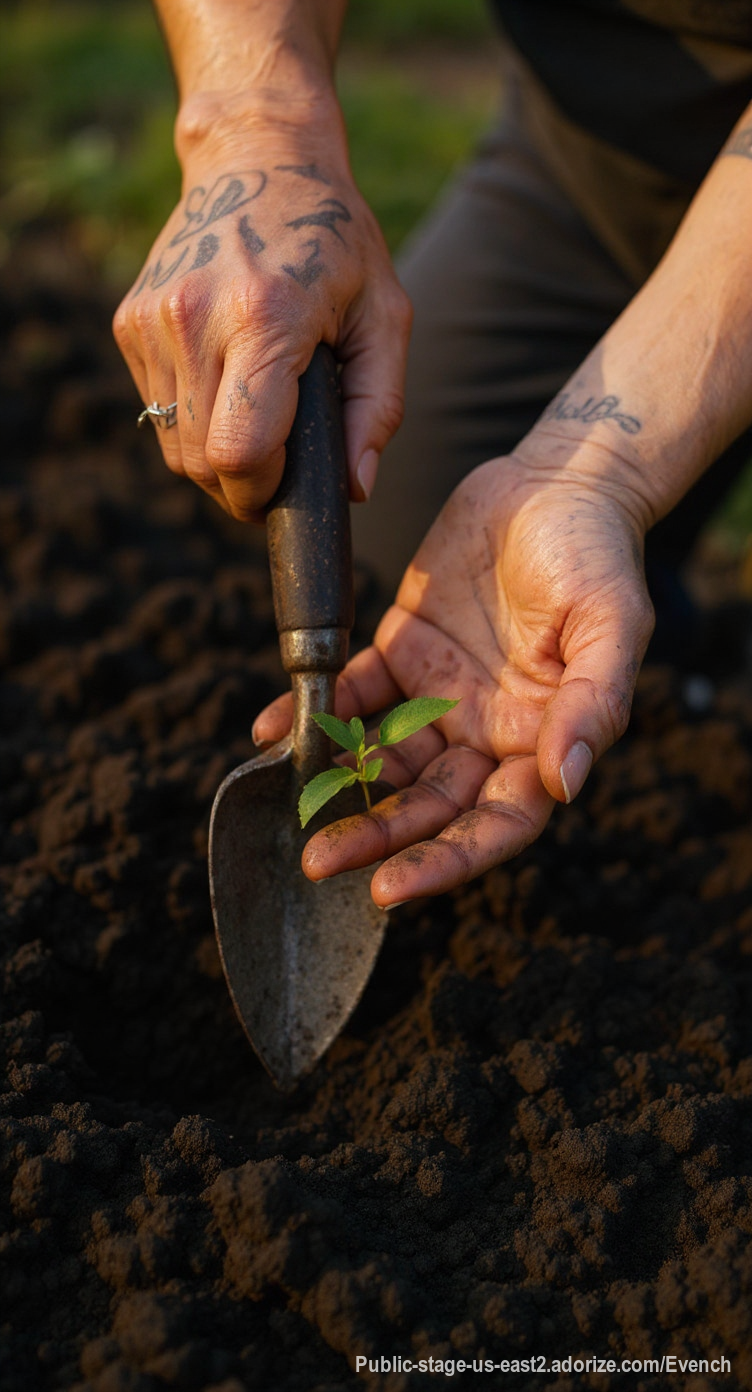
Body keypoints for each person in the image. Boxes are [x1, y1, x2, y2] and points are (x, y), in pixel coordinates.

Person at [114, 1, 752, 909]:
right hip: (594, 147)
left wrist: (603, 469)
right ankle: (671, 662)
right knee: (423, 566)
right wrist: (255, 132)